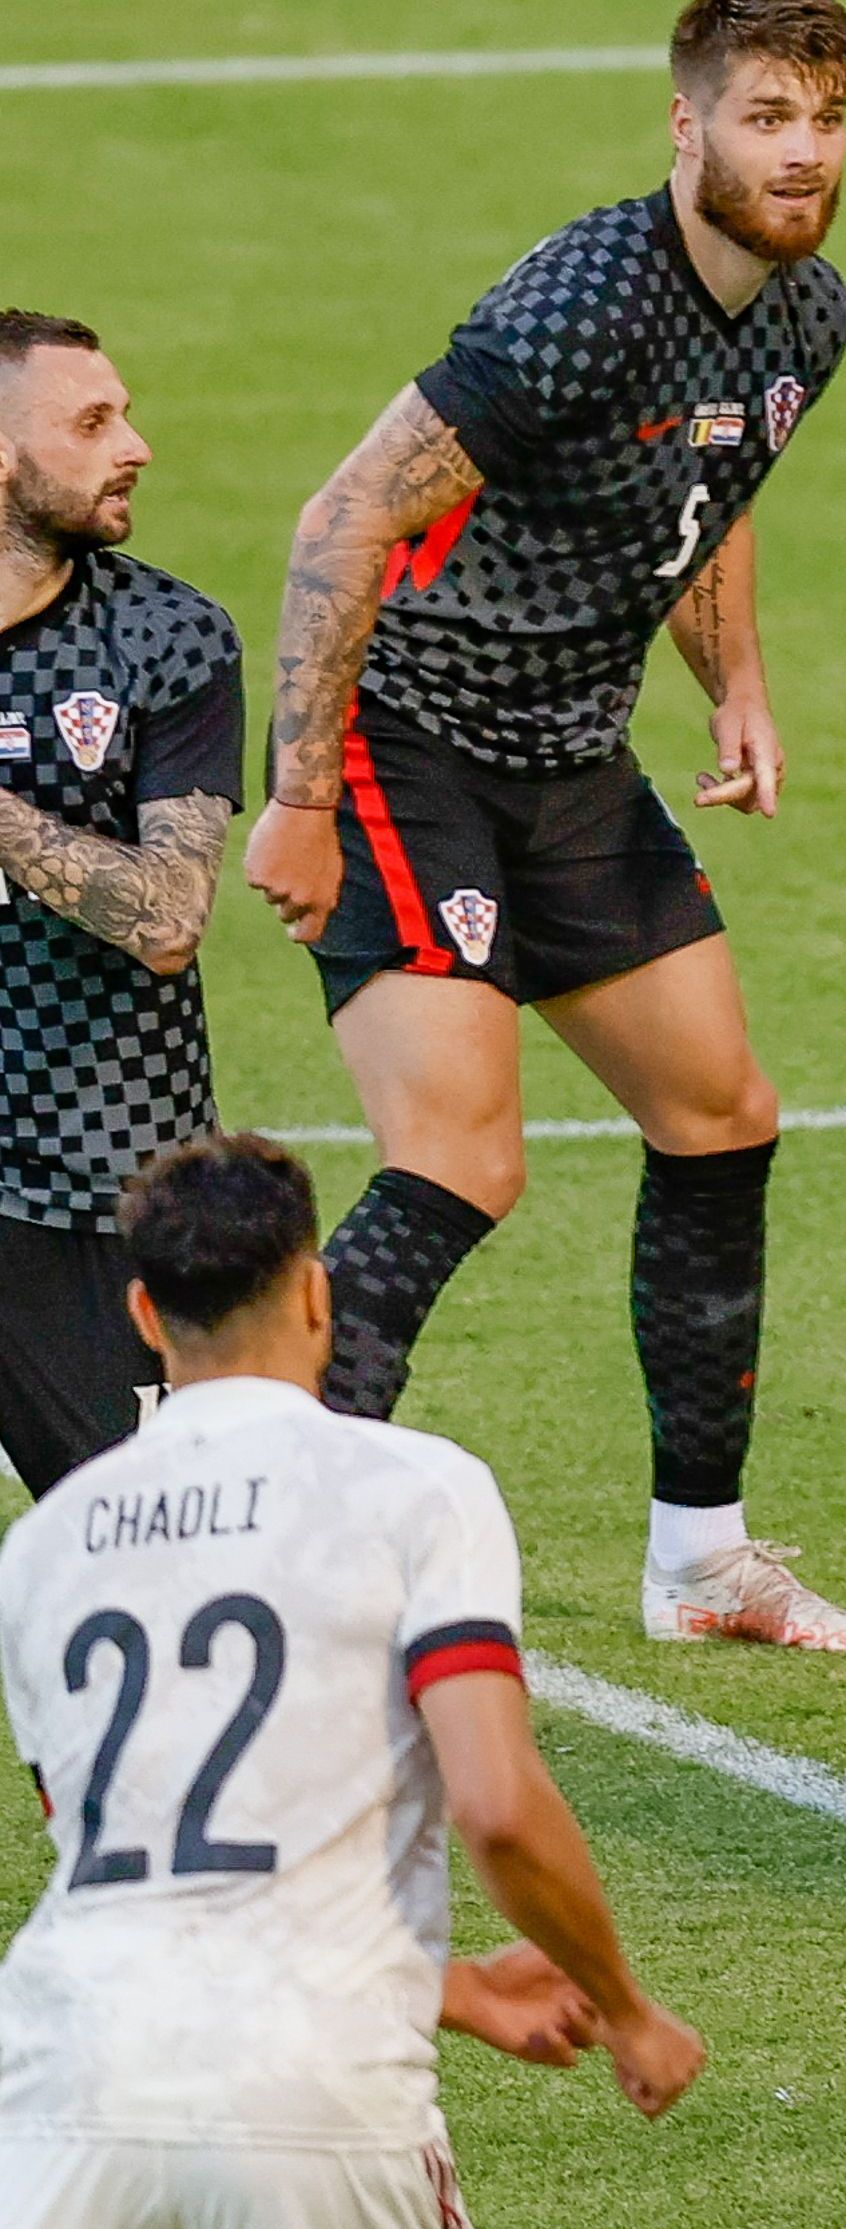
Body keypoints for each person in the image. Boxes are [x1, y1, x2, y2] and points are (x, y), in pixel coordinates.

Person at [235, 0, 846, 1651]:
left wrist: (733, 681)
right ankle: (273, 1566)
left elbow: (708, 491)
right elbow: (345, 515)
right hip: (409, 749)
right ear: (686, 130)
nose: (801, 148)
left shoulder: (807, 313)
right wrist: (302, 798)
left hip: (570, 759)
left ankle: (702, 1563)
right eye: (765, 116)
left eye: (823, 115)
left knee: (721, 1112)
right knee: (462, 1157)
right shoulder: (587, 298)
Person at [0, 1134, 704, 2229]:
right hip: (314, 2084)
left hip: (63, 2079)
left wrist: (461, 1988)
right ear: (317, 1291)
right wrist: (623, 2006)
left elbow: (156, 1870)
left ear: (142, 1314)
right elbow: (499, 1810)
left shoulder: (41, 1551)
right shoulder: (415, 1489)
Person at [0, 314, 242, 1497]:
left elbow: (167, 919)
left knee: (148, 1540)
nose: (135, 444)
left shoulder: (164, 634)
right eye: (92, 422)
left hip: (95, 1175)